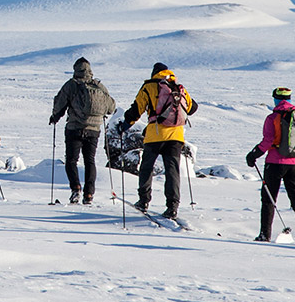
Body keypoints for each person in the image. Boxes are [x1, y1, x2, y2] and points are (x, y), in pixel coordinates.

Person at [119, 62, 198, 223]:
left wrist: (125, 125)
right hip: (176, 137)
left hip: (155, 135)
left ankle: (143, 201)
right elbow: (192, 107)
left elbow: (137, 109)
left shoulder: (149, 87)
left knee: (146, 168)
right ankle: (172, 206)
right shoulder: (177, 86)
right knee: (172, 171)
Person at [245, 87, 295, 242]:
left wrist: (253, 154)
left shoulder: (273, 118)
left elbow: (268, 141)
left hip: (275, 163)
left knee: (269, 198)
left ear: (275, 99)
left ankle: (265, 234)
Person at [49, 57, 118, 205]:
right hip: (94, 129)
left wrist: (55, 117)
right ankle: (89, 194)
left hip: (74, 128)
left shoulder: (71, 85)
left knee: (71, 160)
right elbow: (111, 107)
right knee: (90, 161)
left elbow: (60, 103)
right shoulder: (99, 86)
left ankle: (76, 188)